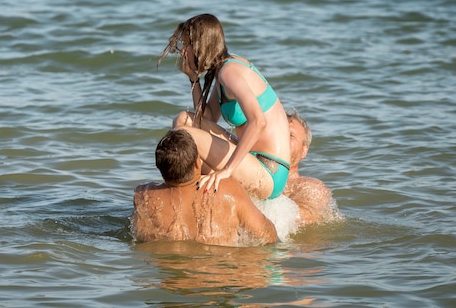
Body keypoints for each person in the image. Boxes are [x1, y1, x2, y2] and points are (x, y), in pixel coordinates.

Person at [158, 13, 291, 200]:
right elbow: (207, 117)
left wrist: (227, 170)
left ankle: (186, 192)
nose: (184, 51)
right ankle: (191, 188)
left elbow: (258, 121)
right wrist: (193, 79)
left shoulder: (229, 72)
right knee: (183, 120)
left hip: (268, 170)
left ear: (200, 45)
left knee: (184, 133)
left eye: (187, 44)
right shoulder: (222, 69)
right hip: (251, 159)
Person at [132, 129, 278, 246]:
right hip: (215, 274)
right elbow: (268, 236)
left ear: (159, 167)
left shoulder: (143, 196)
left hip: (169, 277)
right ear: (197, 163)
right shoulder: (228, 189)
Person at [283, 109, 338, 226]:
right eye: (277, 132)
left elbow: (305, 218)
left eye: (290, 135)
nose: (280, 138)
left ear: (304, 150)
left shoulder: (310, 186)